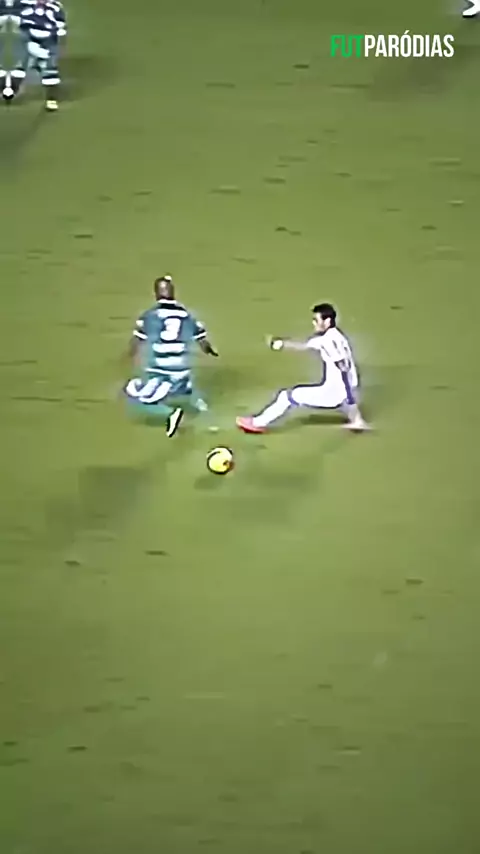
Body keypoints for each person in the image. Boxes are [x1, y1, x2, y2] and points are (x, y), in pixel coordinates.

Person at [236, 302, 369, 434]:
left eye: (316, 320)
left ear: (327, 321)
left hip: (334, 392)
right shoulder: (336, 336)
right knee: (345, 401)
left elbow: (343, 367)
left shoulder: (327, 342)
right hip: (348, 387)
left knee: (286, 396)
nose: (314, 323)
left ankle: (257, 423)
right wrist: (282, 344)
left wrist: (349, 397)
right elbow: (304, 345)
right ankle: (356, 419)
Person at [124, 275, 218, 438]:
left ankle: (170, 414)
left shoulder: (149, 315)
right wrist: (210, 351)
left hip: (161, 372)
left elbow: (137, 341)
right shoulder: (187, 315)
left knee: (136, 397)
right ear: (173, 292)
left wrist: (128, 356)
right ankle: (208, 417)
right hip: (182, 370)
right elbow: (203, 342)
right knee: (187, 392)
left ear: (155, 294)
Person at [9, 0, 66, 110]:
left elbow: (60, 26)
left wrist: (48, 43)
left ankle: (51, 99)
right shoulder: (24, 4)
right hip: (29, 39)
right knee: (20, 67)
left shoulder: (55, 7)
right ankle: (10, 90)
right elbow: (20, 25)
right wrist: (29, 41)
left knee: (50, 72)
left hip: (48, 42)